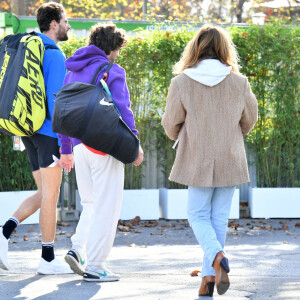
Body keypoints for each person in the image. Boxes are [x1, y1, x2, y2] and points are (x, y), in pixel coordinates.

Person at [162, 24, 258, 296]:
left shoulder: (182, 82)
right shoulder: (239, 82)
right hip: (230, 156)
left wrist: (180, 134)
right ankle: (208, 278)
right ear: (225, 49)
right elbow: (249, 120)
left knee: (196, 214)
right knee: (218, 219)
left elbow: (170, 123)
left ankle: (216, 257)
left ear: (196, 48)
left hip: (197, 156)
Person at [58, 23, 144, 282]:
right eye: (118, 49)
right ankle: (95, 266)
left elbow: (61, 109)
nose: (118, 54)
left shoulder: (72, 70)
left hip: (79, 146)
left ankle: (78, 249)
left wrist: (65, 148)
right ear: (112, 48)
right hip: (104, 146)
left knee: (92, 204)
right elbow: (123, 109)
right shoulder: (112, 70)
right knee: (107, 207)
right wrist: (134, 144)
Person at [0, 2, 72, 274]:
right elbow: (57, 102)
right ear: (53, 23)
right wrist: (66, 143)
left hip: (28, 132)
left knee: (44, 193)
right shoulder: (53, 53)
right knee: (51, 197)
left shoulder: (29, 47)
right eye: (65, 21)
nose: (67, 26)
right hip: (49, 133)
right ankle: (47, 259)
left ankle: (4, 233)